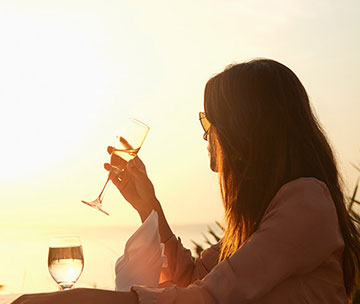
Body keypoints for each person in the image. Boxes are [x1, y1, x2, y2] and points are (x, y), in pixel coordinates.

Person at [12, 58, 360, 304]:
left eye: (209, 122)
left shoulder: (305, 206)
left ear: (244, 130)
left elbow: (207, 298)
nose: (205, 136)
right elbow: (194, 278)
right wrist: (149, 204)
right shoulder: (262, 218)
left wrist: (78, 300)